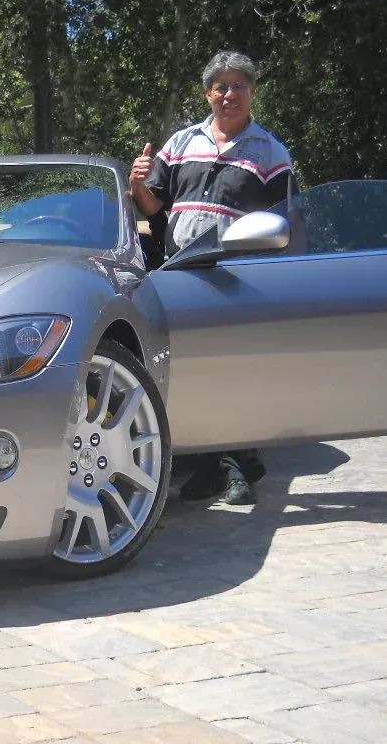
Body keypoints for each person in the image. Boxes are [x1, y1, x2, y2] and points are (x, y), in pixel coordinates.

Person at [128, 50, 298, 505]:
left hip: (240, 280)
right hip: (180, 274)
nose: (229, 94)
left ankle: (235, 467)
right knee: (192, 372)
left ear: (252, 92)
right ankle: (213, 466)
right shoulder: (181, 144)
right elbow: (152, 208)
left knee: (235, 371)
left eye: (238, 85)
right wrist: (139, 185)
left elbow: (288, 225)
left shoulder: (271, 153)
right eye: (220, 86)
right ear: (207, 94)